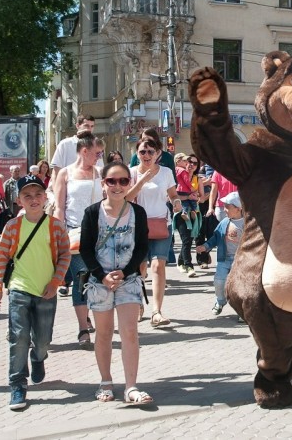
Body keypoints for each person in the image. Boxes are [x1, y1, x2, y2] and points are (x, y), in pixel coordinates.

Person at [0, 175, 70, 410]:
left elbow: (65, 255)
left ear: (45, 198)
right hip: (19, 288)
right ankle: (17, 384)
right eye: (27, 195)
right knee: (19, 337)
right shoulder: (13, 226)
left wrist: (56, 281)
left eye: (38, 195)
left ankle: (38, 358)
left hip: (46, 290)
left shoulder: (55, 226)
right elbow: (1, 258)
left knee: (43, 339)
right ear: (19, 201)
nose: (33, 199)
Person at [80, 162, 153, 405]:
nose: (118, 186)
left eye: (123, 181)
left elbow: (142, 246)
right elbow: (86, 250)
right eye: (112, 181)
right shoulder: (92, 213)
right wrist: (102, 275)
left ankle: (131, 386)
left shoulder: (137, 213)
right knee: (103, 333)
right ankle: (105, 381)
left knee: (130, 332)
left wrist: (126, 271)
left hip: (129, 280)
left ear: (129, 183)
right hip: (99, 283)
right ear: (103, 184)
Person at [53, 131, 103, 348]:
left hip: (100, 234)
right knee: (82, 278)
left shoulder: (100, 173)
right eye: (96, 153)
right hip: (74, 234)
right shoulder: (65, 174)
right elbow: (59, 206)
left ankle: (92, 317)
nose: (99, 157)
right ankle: (83, 328)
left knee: (97, 279)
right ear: (85, 151)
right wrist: (57, 233)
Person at [126, 136, 182, 327]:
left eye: (151, 151)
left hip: (161, 224)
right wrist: (142, 180)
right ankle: (138, 302)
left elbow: (173, 194)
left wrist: (176, 203)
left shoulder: (166, 172)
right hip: (138, 227)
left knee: (158, 266)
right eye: (143, 151)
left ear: (158, 153)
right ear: (137, 154)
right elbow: (126, 198)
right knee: (140, 269)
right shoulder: (132, 172)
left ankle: (156, 312)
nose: (147, 155)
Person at [196, 191, 243, 317]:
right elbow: (215, 238)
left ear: (238, 208)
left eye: (228, 207)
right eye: (224, 206)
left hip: (241, 261)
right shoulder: (224, 222)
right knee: (219, 282)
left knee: (239, 286)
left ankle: (241, 311)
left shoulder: (247, 224)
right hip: (224, 259)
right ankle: (220, 301)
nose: (225, 209)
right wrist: (205, 246)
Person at [175, 154, 204, 276]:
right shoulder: (177, 177)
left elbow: (202, 198)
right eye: (189, 162)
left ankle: (181, 261)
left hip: (194, 211)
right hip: (180, 212)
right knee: (186, 239)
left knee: (189, 239)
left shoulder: (198, 179)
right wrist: (187, 196)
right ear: (184, 163)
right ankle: (189, 266)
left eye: (195, 163)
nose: (191, 164)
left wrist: (196, 197)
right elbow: (172, 196)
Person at [50, 114, 102, 181]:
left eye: (92, 126)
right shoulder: (65, 144)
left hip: (90, 186)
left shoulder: (96, 146)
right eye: (86, 125)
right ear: (77, 126)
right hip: (68, 187)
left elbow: (100, 170)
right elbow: (56, 171)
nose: (89, 129)